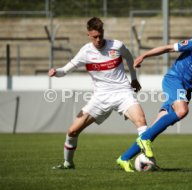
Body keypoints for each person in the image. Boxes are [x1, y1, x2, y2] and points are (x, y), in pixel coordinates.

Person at [118, 24, 192, 166]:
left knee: (155, 129)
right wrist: (144, 55)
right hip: (174, 79)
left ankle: (124, 158)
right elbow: (168, 48)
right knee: (182, 111)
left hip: (187, 92)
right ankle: (144, 141)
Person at [49, 17, 148, 172]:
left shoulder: (117, 46)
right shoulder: (85, 52)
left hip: (123, 93)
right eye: (95, 36)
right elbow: (66, 70)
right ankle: (68, 163)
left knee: (141, 121)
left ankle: (147, 158)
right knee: (72, 131)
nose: (98, 39)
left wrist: (134, 79)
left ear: (103, 32)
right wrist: (56, 72)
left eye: (100, 35)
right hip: (100, 98)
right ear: (88, 35)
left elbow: (129, 58)